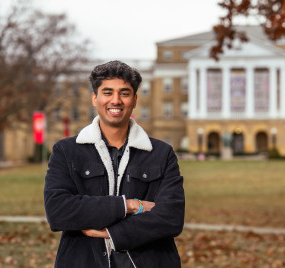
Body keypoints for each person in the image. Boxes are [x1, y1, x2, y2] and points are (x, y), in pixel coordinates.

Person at [44, 60, 185, 268]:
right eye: (107, 92)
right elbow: (58, 211)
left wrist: (111, 232)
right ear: (95, 98)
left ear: (135, 100)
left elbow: (171, 217)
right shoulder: (66, 151)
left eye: (124, 93)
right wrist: (129, 205)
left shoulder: (162, 154)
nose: (116, 100)